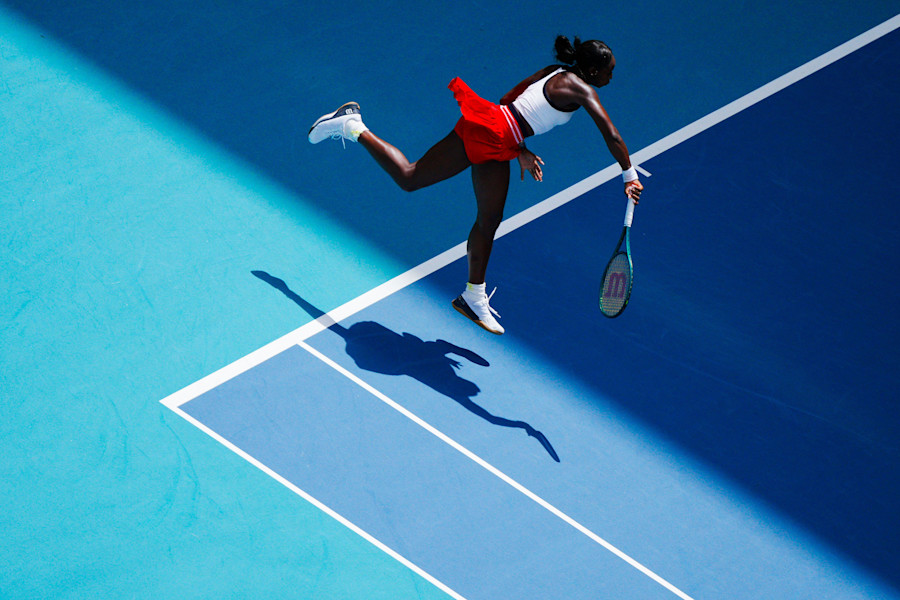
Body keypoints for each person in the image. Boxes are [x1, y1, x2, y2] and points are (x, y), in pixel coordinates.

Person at [308, 36, 643, 335]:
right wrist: (629, 174)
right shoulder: (583, 89)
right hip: (495, 137)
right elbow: (611, 135)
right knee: (411, 178)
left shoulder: (554, 70)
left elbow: (510, 101)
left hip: (492, 127)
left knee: (487, 220)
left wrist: (520, 149)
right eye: (609, 70)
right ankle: (352, 125)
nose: (612, 76)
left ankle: (473, 295)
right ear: (594, 71)